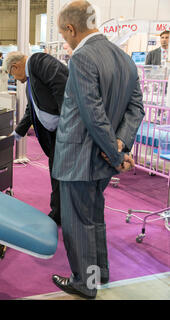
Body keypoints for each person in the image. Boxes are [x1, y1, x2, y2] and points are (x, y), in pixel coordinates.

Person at [51, 0, 145, 299]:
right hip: (103, 157)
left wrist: (116, 152)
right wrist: (120, 143)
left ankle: (84, 282)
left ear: (70, 28)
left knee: (78, 222)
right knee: (94, 217)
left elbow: (92, 114)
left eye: (64, 34)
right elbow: (136, 108)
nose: (65, 39)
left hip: (79, 158)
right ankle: (99, 272)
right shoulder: (124, 57)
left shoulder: (82, 58)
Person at [4, 51, 68, 226]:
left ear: (15, 66)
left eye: (12, 74)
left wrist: (68, 123)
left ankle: (59, 215)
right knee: (57, 172)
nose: (15, 79)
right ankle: (60, 213)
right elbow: (30, 111)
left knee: (59, 173)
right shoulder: (29, 82)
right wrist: (17, 132)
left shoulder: (38, 61)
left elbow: (62, 87)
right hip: (56, 134)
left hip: (65, 131)